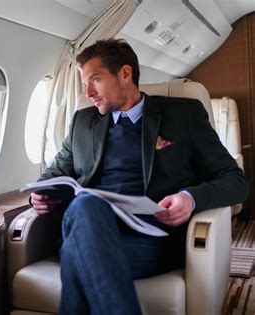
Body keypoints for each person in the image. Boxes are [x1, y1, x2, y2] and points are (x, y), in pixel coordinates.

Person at [30, 38, 249, 314]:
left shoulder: (183, 116)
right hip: (89, 227)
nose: (87, 92)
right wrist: (38, 196)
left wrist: (190, 198)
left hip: (150, 239)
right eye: (84, 82)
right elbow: (53, 174)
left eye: (95, 80)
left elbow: (237, 181)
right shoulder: (82, 123)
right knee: (86, 205)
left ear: (124, 74)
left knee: (77, 254)